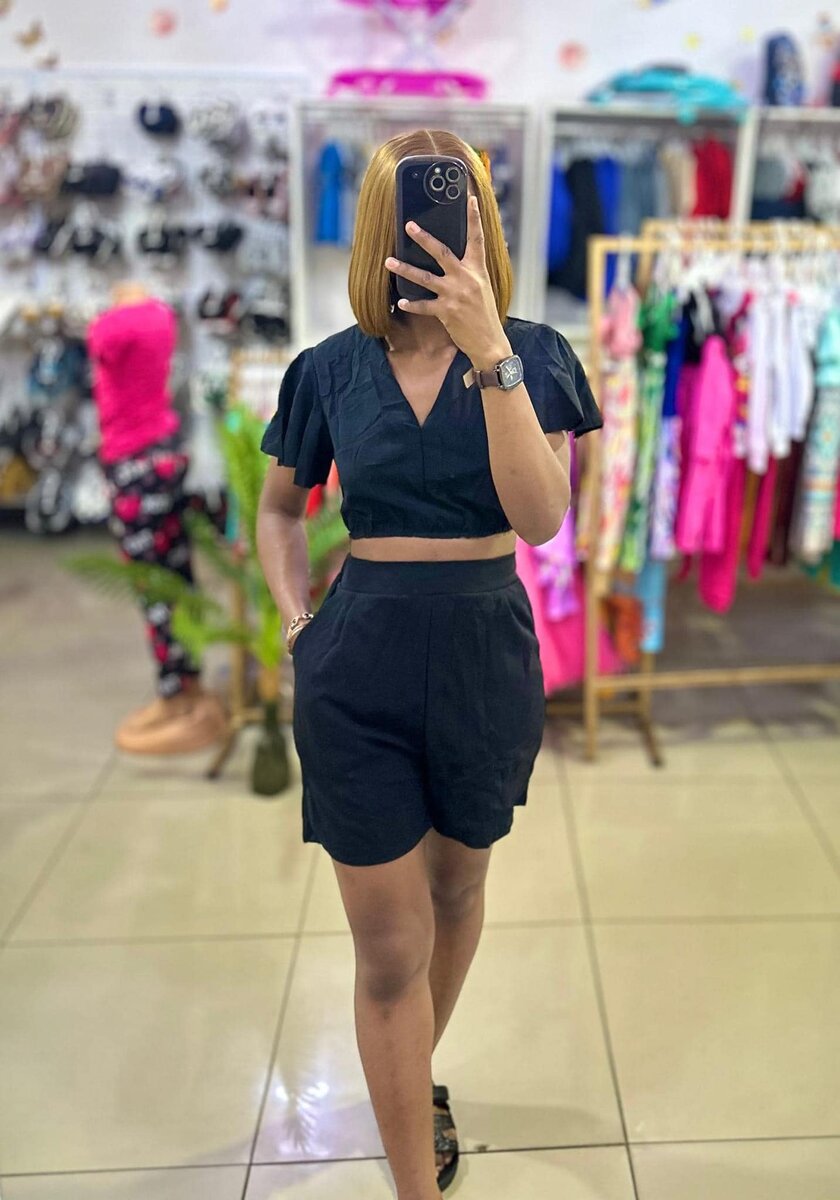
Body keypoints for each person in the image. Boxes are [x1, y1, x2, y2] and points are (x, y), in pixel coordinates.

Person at [256, 130, 602, 1200]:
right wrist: (299, 619)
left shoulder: (536, 355)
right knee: (389, 950)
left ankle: (415, 1079)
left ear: (482, 223)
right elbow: (279, 510)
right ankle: (414, 1179)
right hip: (355, 663)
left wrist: (488, 347)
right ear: (381, 225)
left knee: (459, 887)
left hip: (484, 655)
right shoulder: (328, 368)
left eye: (458, 208)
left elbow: (540, 518)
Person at [87, 282, 227, 754]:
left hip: (132, 465)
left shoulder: (110, 327)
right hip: (164, 456)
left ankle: (175, 695)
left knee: (154, 590)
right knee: (177, 578)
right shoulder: (161, 316)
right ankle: (189, 683)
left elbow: (98, 346)